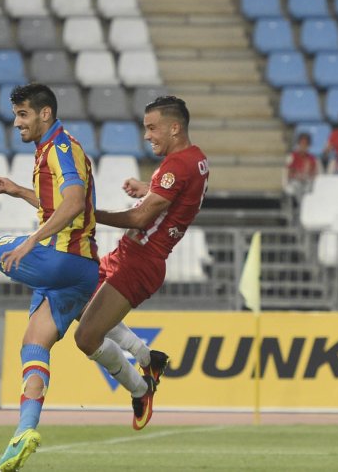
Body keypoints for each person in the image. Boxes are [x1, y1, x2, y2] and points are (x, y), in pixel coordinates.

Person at [0, 83, 99, 472]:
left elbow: (75, 202)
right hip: (81, 273)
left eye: (23, 114)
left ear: (45, 114)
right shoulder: (52, 149)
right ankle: (24, 431)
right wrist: (19, 191)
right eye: (16, 115)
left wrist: (30, 242)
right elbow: (59, 203)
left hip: (60, 257)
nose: (16, 123)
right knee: (34, 345)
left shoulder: (60, 147)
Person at [74, 97, 208, 430]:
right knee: (74, 297)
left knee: (86, 339)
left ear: (174, 127)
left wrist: (87, 215)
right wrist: (148, 188)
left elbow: (139, 215)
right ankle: (149, 358)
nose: (147, 135)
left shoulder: (177, 165)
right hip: (128, 254)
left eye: (152, 128)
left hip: (140, 263)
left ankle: (140, 387)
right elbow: (181, 193)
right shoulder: (196, 160)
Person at [285, 132, 319, 199]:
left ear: (308, 146)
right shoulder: (292, 156)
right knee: (292, 188)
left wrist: (308, 176)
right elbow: (288, 174)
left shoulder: (312, 159)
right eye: (302, 144)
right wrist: (297, 175)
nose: (303, 146)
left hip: (306, 183)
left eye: (305, 144)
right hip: (295, 182)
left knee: (309, 189)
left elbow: (315, 175)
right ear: (298, 144)